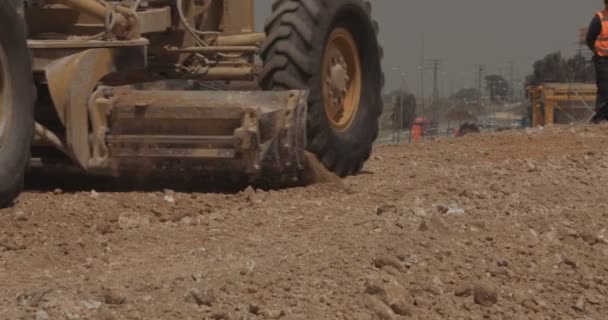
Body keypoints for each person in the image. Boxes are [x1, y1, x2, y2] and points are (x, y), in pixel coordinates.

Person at [586, 0, 608, 123]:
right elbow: (590, 38)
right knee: (605, 89)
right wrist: (597, 51)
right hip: (603, 59)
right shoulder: (599, 19)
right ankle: (600, 117)